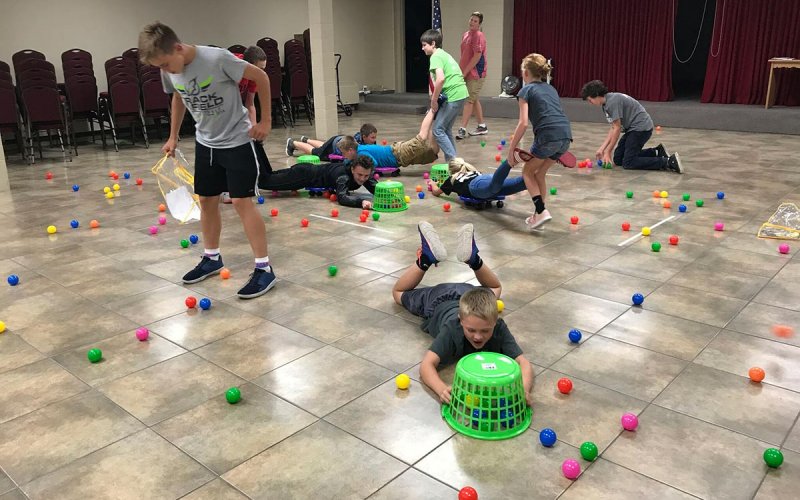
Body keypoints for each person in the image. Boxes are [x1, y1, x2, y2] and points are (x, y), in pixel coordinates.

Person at [139, 21, 276, 299]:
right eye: (160, 67)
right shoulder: (170, 70)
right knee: (206, 200)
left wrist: (265, 120)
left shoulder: (217, 58)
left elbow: (262, 78)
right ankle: (212, 258)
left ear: (178, 48)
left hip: (237, 141)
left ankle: (264, 268)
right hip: (205, 144)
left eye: (166, 64)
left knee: (241, 202)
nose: (165, 71)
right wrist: (173, 136)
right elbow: (177, 98)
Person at [392, 221, 534, 406]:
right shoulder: (453, 329)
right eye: (471, 330)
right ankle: (425, 260)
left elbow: (524, 363)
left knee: (495, 288)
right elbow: (426, 366)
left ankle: (473, 259)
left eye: (485, 331)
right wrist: (441, 389)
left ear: (495, 321)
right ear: (460, 321)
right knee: (398, 293)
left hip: (469, 294)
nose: (477, 336)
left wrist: (523, 388)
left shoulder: (498, 326)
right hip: (438, 299)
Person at [506, 54, 573, 231]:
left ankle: (541, 211)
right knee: (540, 173)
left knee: (527, 172)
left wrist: (511, 150)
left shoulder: (525, 91)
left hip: (547, 137)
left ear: (525, 73)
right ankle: (538, 216)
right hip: (566, 137)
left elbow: (523, 123)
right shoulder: (551, 89)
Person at [581, 80, 683, 174]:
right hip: (632, 129)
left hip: (641, 128)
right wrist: (602, 149)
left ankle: (668, 162)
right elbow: (613, 127)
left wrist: (608, 151)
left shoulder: (612, 102)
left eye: (590, 100)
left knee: (628, 162)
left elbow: (617, 128)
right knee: (618, 159)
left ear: (597, 95)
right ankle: (656, 152)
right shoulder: (606, 103)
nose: (590, 103)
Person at [260, 153, 376, 209]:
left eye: (366, 176)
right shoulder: (343, 176)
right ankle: (255, 148)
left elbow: (375, 187)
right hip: (303, 176)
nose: (362, 179)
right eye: (359, 175)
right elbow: (342, 197)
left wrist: (392, 196)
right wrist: (361, 202)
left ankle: (257, 145)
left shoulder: (363, 173)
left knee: (269, 176)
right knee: (265, 182)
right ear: (352, 169)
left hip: (306, 169)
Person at [421, 29, 468, 162]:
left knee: (437, 130)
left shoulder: (435, 56)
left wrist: (434, 100)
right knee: (446, 129)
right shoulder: (444, 54)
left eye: (425, 45)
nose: (422, 48)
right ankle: (452, 162)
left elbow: (440, 79)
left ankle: (454, 162)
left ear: (433, 43)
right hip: (461, 93)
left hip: (453, 95)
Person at [340, 110, 440, 168]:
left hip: (399, 153)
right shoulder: (359, 148)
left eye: (343, 153)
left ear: (350, 150)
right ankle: (434, 123)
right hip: (400, 157)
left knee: (421, 138)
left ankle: (431, 110)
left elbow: (373, 163)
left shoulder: (361, 153)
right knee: (433, 152)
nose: (343, 156)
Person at [456, 11, 488, 140]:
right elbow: (464, 56)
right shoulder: (465, 35)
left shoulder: (478, 36)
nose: (472, 22)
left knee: (469, 99)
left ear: (479, 24)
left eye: (475, 21)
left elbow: (476, 57)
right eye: (471, 19)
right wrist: (461, 71)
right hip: (466, 71)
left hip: (476, 73)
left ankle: (462, 129)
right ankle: (482, 126)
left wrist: (465, 72)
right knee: (474, 99)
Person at [429, 158, 526, 200]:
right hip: (483, 179)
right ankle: (532, 178)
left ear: (451, 170)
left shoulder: (452, 179)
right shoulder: (472, 171)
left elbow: (436, 192)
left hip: (476, 186)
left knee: (494, 186)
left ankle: (510, 161)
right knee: (518, 185)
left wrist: (433, 184)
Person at [285, 123, 377, 159]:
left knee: (323, 146)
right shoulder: (357, 142)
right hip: (336, 144)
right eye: (372, 138)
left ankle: (306, 140)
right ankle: (293, 143)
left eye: (375, 137)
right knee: (316, 153)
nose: (374, 140)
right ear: (364, 137)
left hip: (339, 140)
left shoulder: (370, 142)